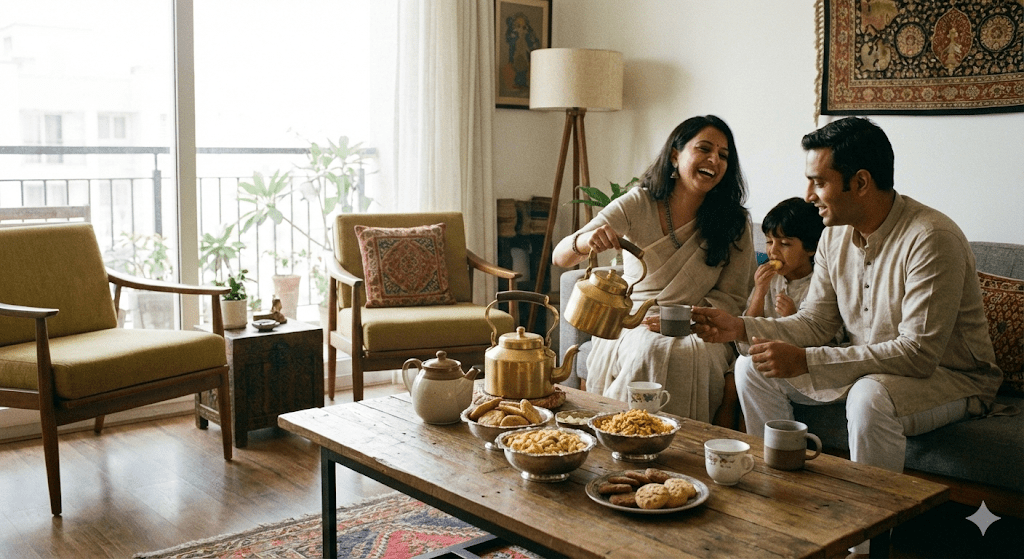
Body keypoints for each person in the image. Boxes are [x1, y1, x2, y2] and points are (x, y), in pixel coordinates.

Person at [690, 116, 1002, 555]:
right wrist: (742, 327)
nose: (808, 195)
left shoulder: (932, 238)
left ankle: (865, 546)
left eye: (819, 182)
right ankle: (780, 503)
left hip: (952, 378)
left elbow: (917, 354)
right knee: (751, 367)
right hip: (867, 369)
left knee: (869, 396)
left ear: (860, 183)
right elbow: (816, 323)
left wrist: (808, 361)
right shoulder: (833, 238)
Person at [552, 115, 756, 422]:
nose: (714, 160)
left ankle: (683, 441)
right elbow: (560, 257)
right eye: (704, 149)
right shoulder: (639, 203)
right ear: (675, 155)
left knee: (686, 353)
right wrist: (585, 241)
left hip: (703, 325)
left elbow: (734, 297)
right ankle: (625, 430)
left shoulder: (734, 221)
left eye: (723, 155)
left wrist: (685, 319)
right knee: (650, 348)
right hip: (636, 320)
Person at [733, 197, 839, 388]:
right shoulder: (769, 280)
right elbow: (745, 343)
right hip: (765, 359)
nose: (773, 251)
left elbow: (829, 344)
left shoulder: (822, 284)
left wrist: (793, 317)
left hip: (804, 367)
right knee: (743, 366)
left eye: (784, 244)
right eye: (769, 241)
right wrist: (759, 291)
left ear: (811, 248)